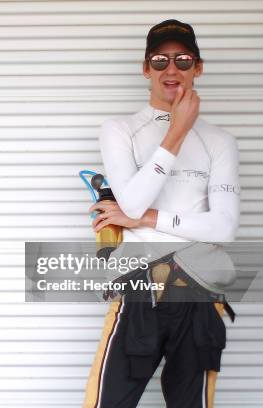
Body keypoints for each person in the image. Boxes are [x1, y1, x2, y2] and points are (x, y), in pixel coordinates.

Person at [82, 19, 240, 408]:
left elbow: (225, 226)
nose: (172, 69)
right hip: (138, 290)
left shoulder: (220, 141)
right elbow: (130, 203)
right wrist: (176, 133)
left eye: (183, 59)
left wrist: (145, 220)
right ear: (145, 68)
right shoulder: (119, 130)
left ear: (197, 67)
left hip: (199, 294)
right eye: (160, 59)